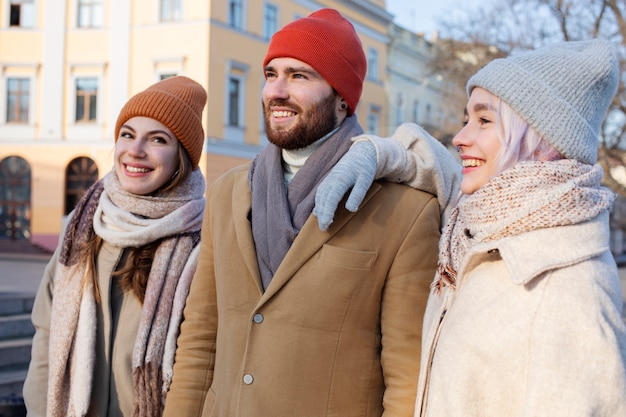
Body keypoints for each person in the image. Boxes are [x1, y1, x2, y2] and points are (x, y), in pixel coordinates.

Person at [315, 39, 626, 416]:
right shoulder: (481, 227)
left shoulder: (571, 293)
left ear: (543, 141)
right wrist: (377, 152)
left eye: (484, 120)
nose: (460, 138)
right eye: (466, 120)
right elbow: (437, 166)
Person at [162, 8, 442, 417]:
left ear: (343, 100)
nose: (276, 90)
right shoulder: (227, 193)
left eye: (299, 76)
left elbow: (405, 374)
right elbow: (201, 338)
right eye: (271, 74)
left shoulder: (405, 211)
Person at [23, 75, 208, 417]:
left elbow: (206, 357)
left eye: (157, 139)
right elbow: (47, 334)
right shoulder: (83, 227)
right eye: (127, 134)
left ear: (181, 157)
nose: (135, 151)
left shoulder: (203, 242)